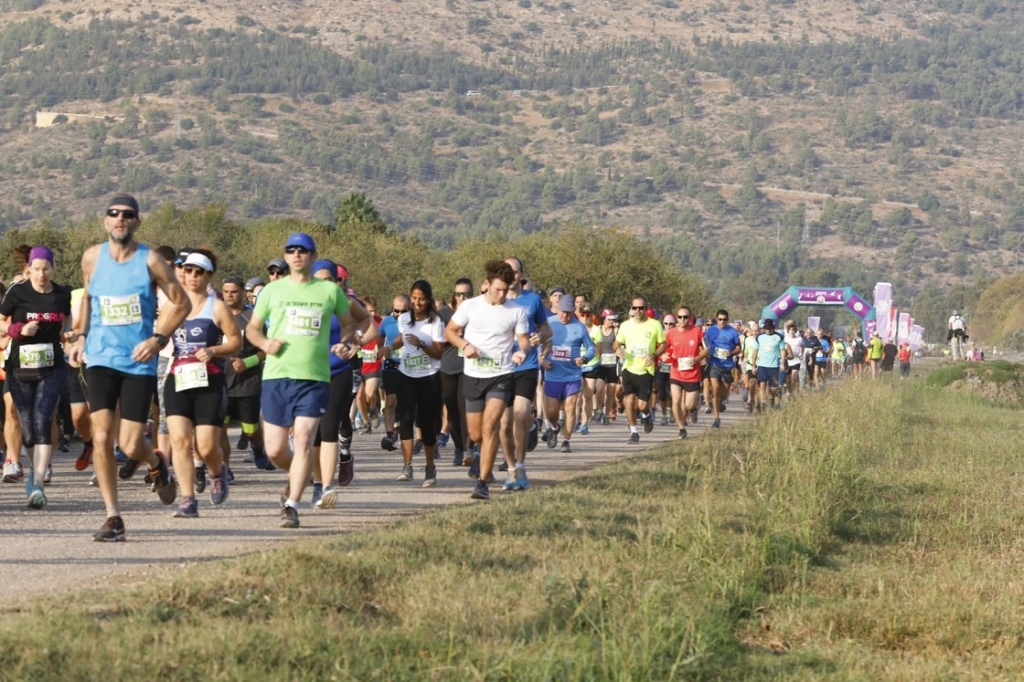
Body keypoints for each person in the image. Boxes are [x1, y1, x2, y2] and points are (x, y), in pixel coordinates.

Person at [68, 194, 189, 542]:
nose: (120, 219)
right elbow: (89, 299)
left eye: (128, 215)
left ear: (137, 222)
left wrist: (158, 338)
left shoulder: (149, 260)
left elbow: (180, 302)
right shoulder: (91, 257)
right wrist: (79, 337)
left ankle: (154, 463)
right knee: (102, 436)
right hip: (100, 359)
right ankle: (113, 516)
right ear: (105, 220)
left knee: (131, 441)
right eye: (114, 214)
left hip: (138, 362)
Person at [246, 233, 376, 529]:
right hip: (277, 377)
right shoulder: (271, 291)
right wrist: (265, 344)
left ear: (313, 255)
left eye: (302, 250)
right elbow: (252, 330)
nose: (296, 255)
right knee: (276, 450)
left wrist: (350, 342)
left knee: (304, 439)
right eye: (290, 250)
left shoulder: (330, 292)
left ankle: (292, 505)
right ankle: (308, 477)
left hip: (315, 378)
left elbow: (355, 322)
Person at [164, 250, 241, 518]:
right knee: (180, 441)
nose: (192, 276)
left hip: (209, 380)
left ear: (208, 276)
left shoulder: (216, 306)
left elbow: (235, 342)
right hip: (178, 379)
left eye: (199, 272)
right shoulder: (172, 305)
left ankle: (217, 473)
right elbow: (160, 336)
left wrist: (213, 351)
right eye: (188, 270)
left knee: (206, 447)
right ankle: (187, 499)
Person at [445, 260, 529, 500]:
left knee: (491, 425)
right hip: (474, 375)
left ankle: (482, 482)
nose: (501, 294)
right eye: (497, 289)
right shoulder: (470, 307)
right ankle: (483, 459)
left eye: (505, 290)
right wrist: (465, 345)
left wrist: (522, 351)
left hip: (501, 374)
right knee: (475, 434)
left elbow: (523, 339)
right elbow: (450, 332)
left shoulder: (516, 310)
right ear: (487, 284)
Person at [0, 246, 73, 508]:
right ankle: (32, 469)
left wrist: (71, 335)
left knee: (44, 418)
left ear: (53, 269)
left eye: (46, 269)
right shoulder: (17, 292)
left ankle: (39, 483)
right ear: (29, 268)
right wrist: (16, 329)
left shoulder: (63, 293)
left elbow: (68, 324)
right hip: (20, 367)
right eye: (37, 269)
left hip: (52, 366)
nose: (41, 274)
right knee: (27, 424)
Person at [385, 279, 446, 487]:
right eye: (414, 298)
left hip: (429, 376)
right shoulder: (404, 318)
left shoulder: (435, 322)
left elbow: (438, 353)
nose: (417, 302)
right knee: (406, 420)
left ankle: (430, 467)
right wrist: (389, 348)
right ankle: (407, 465)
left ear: (428, 299)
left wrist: (421, 344)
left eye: (421, 299)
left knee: (427, 423)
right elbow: (401, 339)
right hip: (407, 374)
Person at [497, 257, 549, 482]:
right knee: (505, 421)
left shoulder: (533, 300)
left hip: (527, 364)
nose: (511, 276)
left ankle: (520, 466)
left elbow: (546, 328)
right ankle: (510, 468)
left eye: (515, 272)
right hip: (502, 365)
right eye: (506, 272)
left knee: (519, 413)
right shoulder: (494, 301)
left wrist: (540, 336)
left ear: (522, 274)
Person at [222, 274, 269, 470]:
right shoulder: (216, 316)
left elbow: (265, 350)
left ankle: (258, 447)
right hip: (221, 382)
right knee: (218, 430)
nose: (230, 296)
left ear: (243, 292)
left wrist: (247, 363)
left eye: (234, 292)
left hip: (247, 383)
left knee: (251, 430)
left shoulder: (251, 318)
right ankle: (224, 469)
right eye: (226, 292)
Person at [540, 294, 596, 455]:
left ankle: (566, 440)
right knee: (551, 411)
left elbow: (591, 348)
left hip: (572, 375)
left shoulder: (579, 327)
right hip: (552, 374)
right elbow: (537, 344)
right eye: (563, 311)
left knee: (571, 408)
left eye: (569, 312)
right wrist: (542, 360)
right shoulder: (548, 324)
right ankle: (555, 427)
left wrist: (584, 358)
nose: (565, 315)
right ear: (557, 309)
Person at [614, 295, 666, 444]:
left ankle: (647, 415)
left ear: (645, 308)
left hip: (646, 370)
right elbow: (616, 343)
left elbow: (663, 344)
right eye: (635, 308)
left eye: (641, 308)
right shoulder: (625, 325)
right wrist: (618, 350)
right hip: (629, 368)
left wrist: (655, 354)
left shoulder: (655, 325)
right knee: (629, 401)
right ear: (632, 309)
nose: (638, 311)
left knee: (642, 405)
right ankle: (634, 432)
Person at [439, 278, 473, 467]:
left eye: (466, 294)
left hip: (468, 367)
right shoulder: (444, 312)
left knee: (465, 408)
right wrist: (452, 336)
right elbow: (435, 339)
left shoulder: (476, 311)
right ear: (453, 294)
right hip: (447, 367)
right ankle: (458, 447)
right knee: (452, 410)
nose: (461, 297)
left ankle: (468, 448)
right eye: (458, 294)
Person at [663, 306, 706, 439]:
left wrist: (697, 359)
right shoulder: (671, 333)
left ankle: (693, 408)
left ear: (690, 317)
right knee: (675, 401)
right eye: (680, 317)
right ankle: (681, 428)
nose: (683, 320)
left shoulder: (697, 331)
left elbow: (706, 349)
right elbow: (666, 349)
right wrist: (664, 356)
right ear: (677, 318)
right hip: (676, 372)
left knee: (688, 404)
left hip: (692, 374)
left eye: (686, 317)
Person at [703, 309, 741, 429]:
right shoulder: (711, 330)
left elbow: (739, 348)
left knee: (723, 394)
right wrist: (707, 354)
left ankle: (720, 402)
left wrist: (731, 353)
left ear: (727, 320)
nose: (722, 321)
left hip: (727, 365)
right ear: (717, 319)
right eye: (720, 319)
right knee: (715, 390)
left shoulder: (733, 332)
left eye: (724, 319)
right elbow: (704, 344)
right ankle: (717, 418)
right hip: (714, 364)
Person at [753, 318, 788, 410]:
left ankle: (775, 402)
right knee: (762, 385)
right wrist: (753, 365)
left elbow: (782, 350)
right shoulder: (759, 337)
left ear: (773, 328)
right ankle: (763, 404)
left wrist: (783, 363)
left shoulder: (779, 337)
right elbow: (755, 351)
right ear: (764, 328)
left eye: (770, 329)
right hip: (762, 365)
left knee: (773, 388)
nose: (768, 330)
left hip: (774, 366)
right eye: (766, 329)